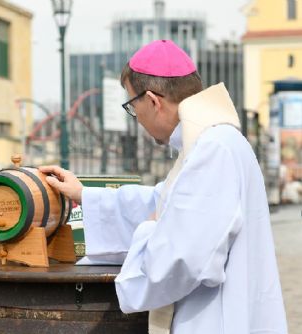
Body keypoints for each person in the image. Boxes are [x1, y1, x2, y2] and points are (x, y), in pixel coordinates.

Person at [40, 40, 287, 334]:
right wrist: (85, 195)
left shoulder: (212, 149)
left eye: (133, 105)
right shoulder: (216, 142)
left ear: (154, 101)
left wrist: (148, 232)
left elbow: (180, 261)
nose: (137, 119)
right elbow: (165, 202)